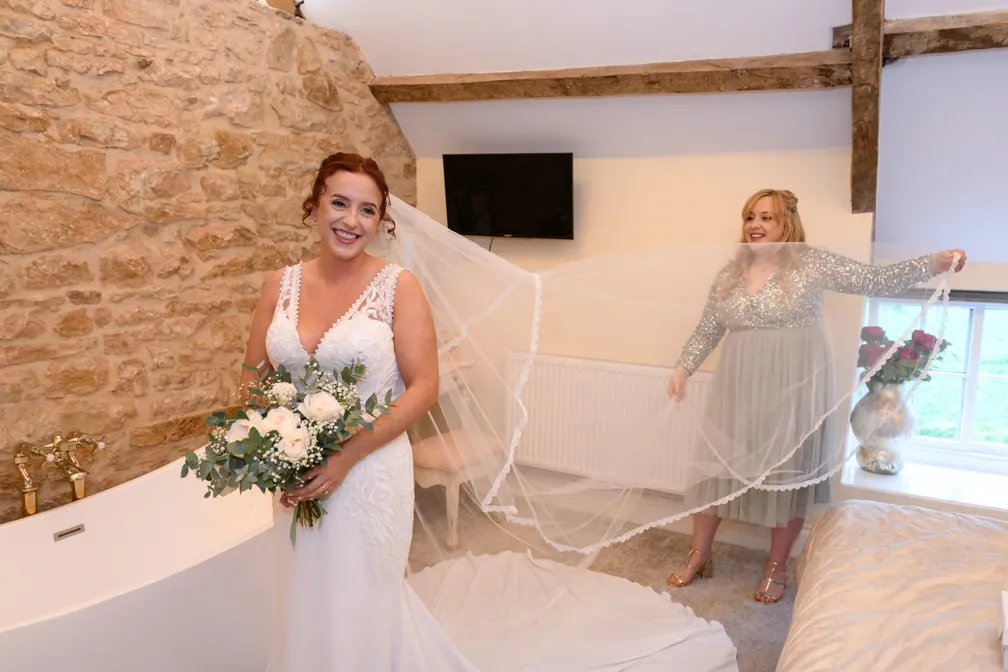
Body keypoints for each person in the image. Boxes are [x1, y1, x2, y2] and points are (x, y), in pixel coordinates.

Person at [664, 188, 966, 604]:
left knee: (785, 474)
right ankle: (699, 554)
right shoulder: (729, 273)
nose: (755, 225)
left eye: (767, 217)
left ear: (787, 222)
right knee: (717, 468)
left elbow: (873, 279)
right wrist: (683, 366)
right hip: (738, 385)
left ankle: (776, 567)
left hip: (793, 386)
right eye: (750, 216)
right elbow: (708, 328)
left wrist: (933, 263)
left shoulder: (811, 264)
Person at [238, 152, 479, 670]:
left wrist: (346, 457)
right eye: (340, 203)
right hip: (296, 471)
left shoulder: (399, 287)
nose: (351, 221)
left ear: (381, 221)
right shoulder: (278, 285)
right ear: (315, 204)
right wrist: (274, 448)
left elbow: (424, 388)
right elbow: (254, 375)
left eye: (367, 210)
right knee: (306, 591)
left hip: (370, 474)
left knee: (363, 597)